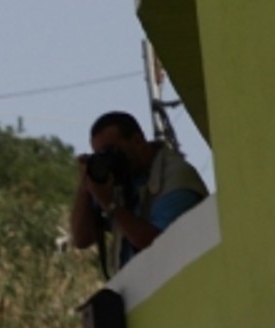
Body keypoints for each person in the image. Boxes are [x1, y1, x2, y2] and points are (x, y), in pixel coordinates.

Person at [70, 110, 209, 277]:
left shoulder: (175, 176)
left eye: (111, 151)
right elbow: (81, 238)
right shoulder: (120, 182)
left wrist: (109, 204)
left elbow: (158, 245)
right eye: (100, 155)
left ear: (137, 141)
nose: (108, 160)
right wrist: (86, 184)